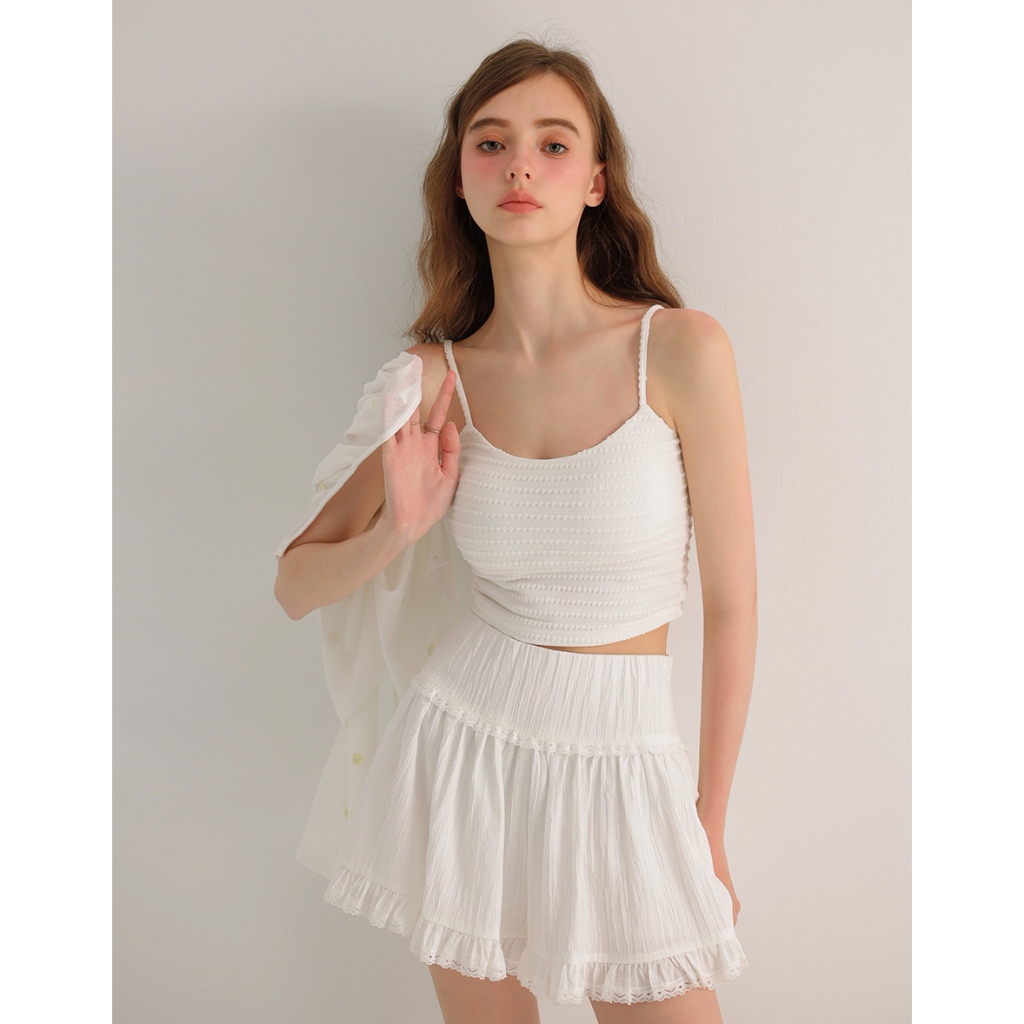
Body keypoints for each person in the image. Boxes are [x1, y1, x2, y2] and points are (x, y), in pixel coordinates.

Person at [274, 37, 757, 1024]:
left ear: (596, 181)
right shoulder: (435, 380)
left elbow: (733, 606)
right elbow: (294, 584)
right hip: (465, 752)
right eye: (491, 144)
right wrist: (397, 530)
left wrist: (707, 823)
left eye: (553, 144)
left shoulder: (679, 350)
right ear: (459, 180)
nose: (520, 167)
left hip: (628, 762)